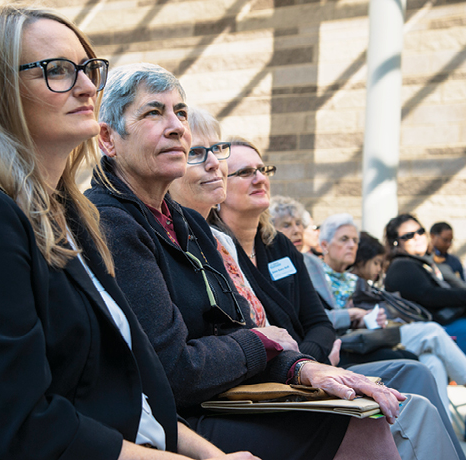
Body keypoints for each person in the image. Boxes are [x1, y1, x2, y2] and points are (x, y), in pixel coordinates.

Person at [0, 7, 257, 460]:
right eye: (56, 71)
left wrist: (210, 456)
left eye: (89, 69)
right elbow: (31, 429)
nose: (89, 86)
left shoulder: (71, 213)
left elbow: (142, 390)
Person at [87, 63, 405, 460]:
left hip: (225, 394)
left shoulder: (183, 220)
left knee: (374, 409)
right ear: (108, 139)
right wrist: (261, 343)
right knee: (363, 427)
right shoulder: (111, 221)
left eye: (180, 112)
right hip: (169, 421)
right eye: (154, 112)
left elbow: (242, 328)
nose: (176, 127)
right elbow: (176, 371)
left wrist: (302, 368)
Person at [169, 118, 463, 459]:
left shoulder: (276, 245)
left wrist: (306, 362)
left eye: (262, 169)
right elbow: (243, 339)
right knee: (405, 392)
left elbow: (316, 319)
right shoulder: (211, 243)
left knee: (420, 369)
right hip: (263, 380)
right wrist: (303, 366)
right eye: (245, 172)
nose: (260, 178)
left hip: (300, 362)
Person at [352, 231, 466, 416]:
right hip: (366, 345)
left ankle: (442, 427)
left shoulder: (372, 283)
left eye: (380, 263)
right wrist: (351, 314)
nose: (379, 269)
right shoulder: (354, 282)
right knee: (432, 331)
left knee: (433, 362)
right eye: (375, 263)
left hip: (384, 337)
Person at [302, 213, 418, 367]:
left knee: (418, 358)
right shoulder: (312, 276)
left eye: (355, 240)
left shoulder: (355, 281)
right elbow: (312, 318)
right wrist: (351, 315)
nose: (351, 245)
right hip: (328, 349)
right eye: (344, 239)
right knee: (407, 360)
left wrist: (366, 320)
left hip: (355, 342)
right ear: (324, 245)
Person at [385, 214, 466, 354]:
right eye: (408, 235)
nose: (417, 237)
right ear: (395, 242)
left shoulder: (419, 261)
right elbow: (430, 296)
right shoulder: (402, 265)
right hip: (432, 331)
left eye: (420, 231)